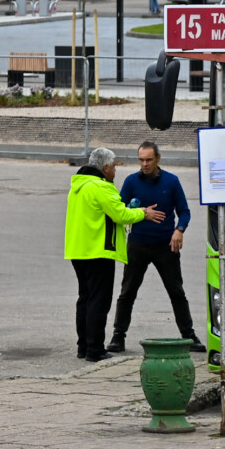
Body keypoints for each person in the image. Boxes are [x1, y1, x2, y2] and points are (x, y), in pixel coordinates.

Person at [64, 147, 163, 361]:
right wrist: (143, 213)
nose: (116, 170)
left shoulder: (78, 186)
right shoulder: (101, 187)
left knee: (85, 298)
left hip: (78, 250)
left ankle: (83, 346)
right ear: (106, 167)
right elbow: (120, 215)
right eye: (114, 166)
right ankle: (95, 349)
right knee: (98, 301)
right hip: (99, 251)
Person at [109, 141, 202, 353]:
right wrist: (141, 212)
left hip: (165, 246)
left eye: (149, 160)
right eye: (141, 160)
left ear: (158, 158)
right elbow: (120, 210)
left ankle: (189, 335)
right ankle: (118, 336)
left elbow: (184, 211)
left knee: (176, 291)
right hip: (138, 244)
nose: (144, 164)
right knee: (127, 292)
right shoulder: (131, 181)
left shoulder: (171, 181)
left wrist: (179, 230)